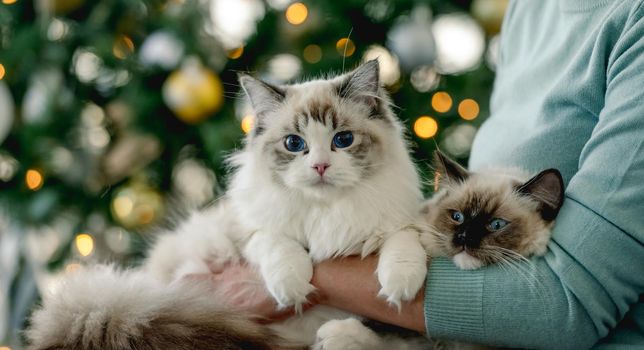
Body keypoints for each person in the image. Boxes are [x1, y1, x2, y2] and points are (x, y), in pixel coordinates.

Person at [210, 0, 644, 348]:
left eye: (341, 141)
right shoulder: (526, 9)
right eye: (296, 146)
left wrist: (313, 278)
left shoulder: (632, 20)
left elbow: (567, 306)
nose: (319, 162)